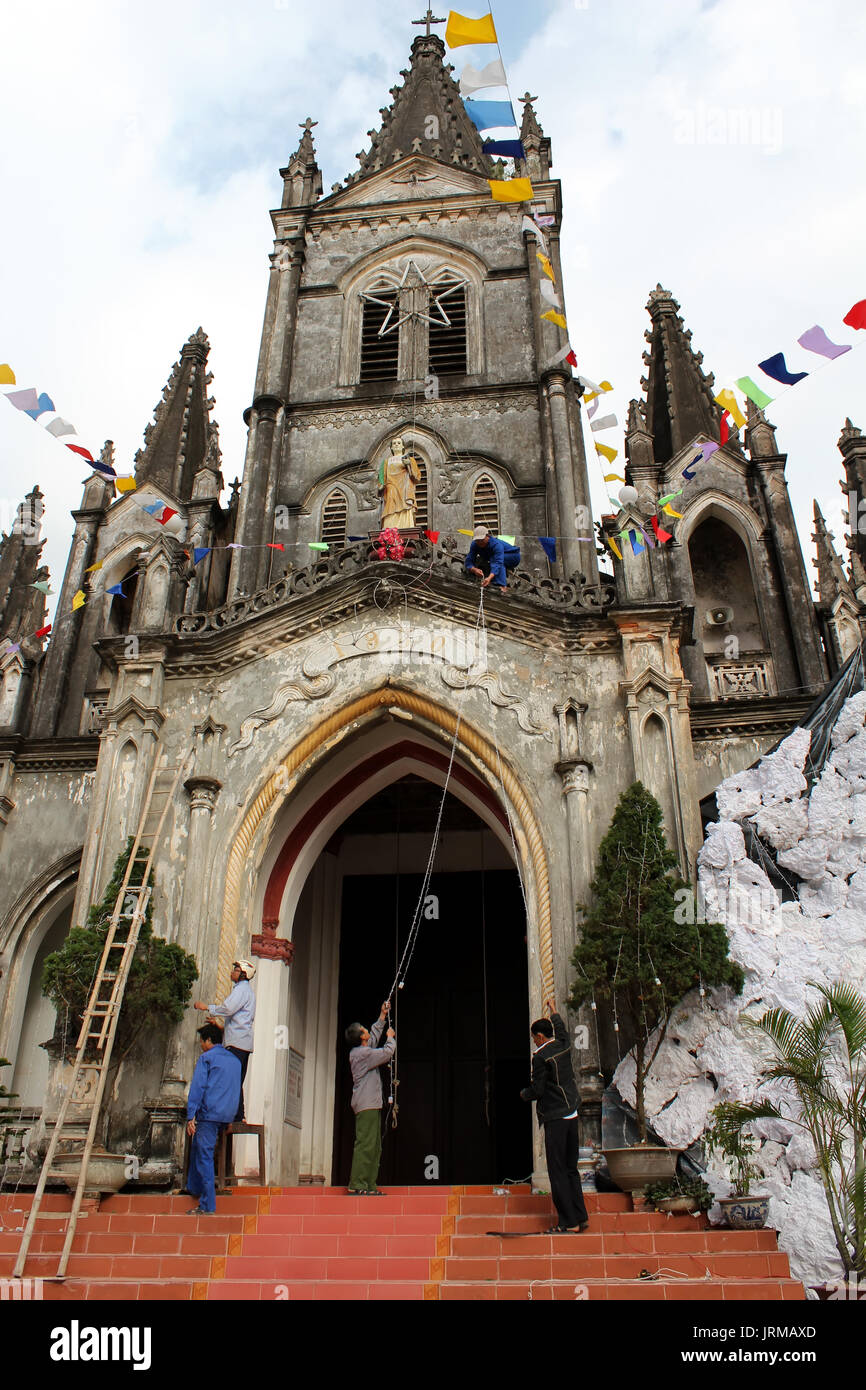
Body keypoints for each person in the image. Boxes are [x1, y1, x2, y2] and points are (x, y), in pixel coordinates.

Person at [520, 997, 589, 1234]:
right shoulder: (563, 1045)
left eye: (534, 1037)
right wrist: (554, 1010)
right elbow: (561, 1030)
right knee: (571, 1168)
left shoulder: (540, 1057)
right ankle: (580, 1216)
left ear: (539, 1037)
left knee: (557, 1171)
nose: (534, 1041)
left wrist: (523, 1094)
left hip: (556, 1117)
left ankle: (568, 1222)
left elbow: (537, 1090)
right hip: (572, 1112)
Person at [186, 1023, 242, 1215]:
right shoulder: (235, 1061)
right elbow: (236, 1089)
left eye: (202, 1041)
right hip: (226, 1114)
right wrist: (231, 1117)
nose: (201, 1045)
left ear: (208, 1040)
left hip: (209, 1114)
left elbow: (198, 1087)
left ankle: (207, 1204)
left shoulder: (207, 1058)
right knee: (199, 1149)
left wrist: (190, 1115)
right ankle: (194, 1187)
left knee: (204, 1154)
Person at [193, 959, 256, 1122]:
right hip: (241, 1042)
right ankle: (238, 1115)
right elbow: (237, 1023)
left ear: (243, 974)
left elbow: (228, 1008)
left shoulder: (241, 990)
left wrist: (207, 1007)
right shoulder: (245, 992)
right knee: (236, 1079)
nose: (232, 972)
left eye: (235, 970)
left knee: (232, 1078)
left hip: (237, 1044)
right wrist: (220, 1027)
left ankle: (236, 1114)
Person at [345, 1000, 395, 1195]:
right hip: (366, 1105)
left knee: (374, 1146)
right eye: (364, 1030)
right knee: (366, 1144)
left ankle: (369, 1184)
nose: (367, 1031)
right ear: (361, 1037)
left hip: (371, 1104)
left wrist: (382, 1016)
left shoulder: (362, 1051)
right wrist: (390, 1038)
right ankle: (357, 1183)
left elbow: (373, 1040)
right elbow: (386, 1053)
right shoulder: (362, 1055)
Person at [464, 525, 508, 592]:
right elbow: (469, 560)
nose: (479, 542)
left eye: (482, 540)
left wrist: (489, 578)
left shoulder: (496, 544)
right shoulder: (474, 545)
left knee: (494, 559)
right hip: (493, 559)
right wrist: (474, 569)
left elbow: (498, 562)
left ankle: (502, 585)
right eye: (477, 540)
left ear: (488, 536)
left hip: (511, 555)